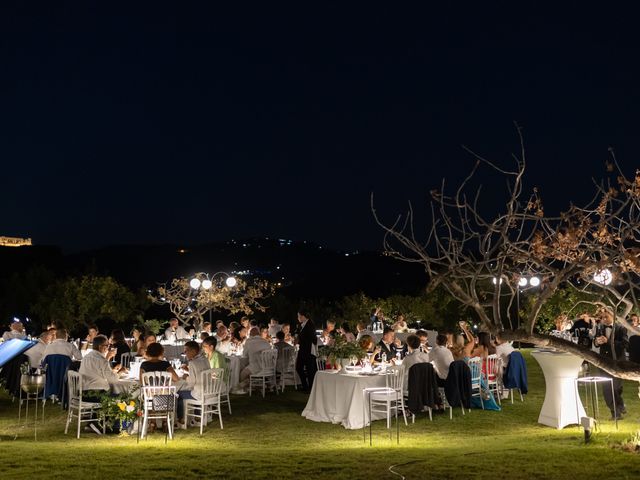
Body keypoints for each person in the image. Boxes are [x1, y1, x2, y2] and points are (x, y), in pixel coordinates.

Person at [594, 308, 628, 419]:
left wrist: (608, 341)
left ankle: (619, 407)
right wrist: (596, 341)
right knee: (607, 389)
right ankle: (617, 412)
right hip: (604, 362)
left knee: (616, 388)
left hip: (618, 362)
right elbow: (596, 341)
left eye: (606, 317)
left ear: (612, 316)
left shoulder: (621, 328)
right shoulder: (600, 327)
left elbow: (624, 345)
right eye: (602, 317)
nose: (603, 319)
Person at [177, 341, 211, 425]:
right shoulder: (205, 359)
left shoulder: (192, 363)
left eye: (186, 351)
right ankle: (197, 416)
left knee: (178, 394)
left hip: (200, 393)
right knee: (194, 390)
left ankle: (180, 419)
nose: (185, 353)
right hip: (209, 391)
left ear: (193, 351)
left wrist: (185, 377)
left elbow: (191, 383)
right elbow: (201, 374)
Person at [295, 310, 318, 391]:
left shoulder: (309, 325)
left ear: (303, 316)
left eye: (298, 316)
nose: (298, 318)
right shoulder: (304, 325)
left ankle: (309, 387)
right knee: (300, 368)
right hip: (304, 350)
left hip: (307, 350)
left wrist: (299, 340)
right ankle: (306, 386)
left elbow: (312, 339)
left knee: (309, 370)